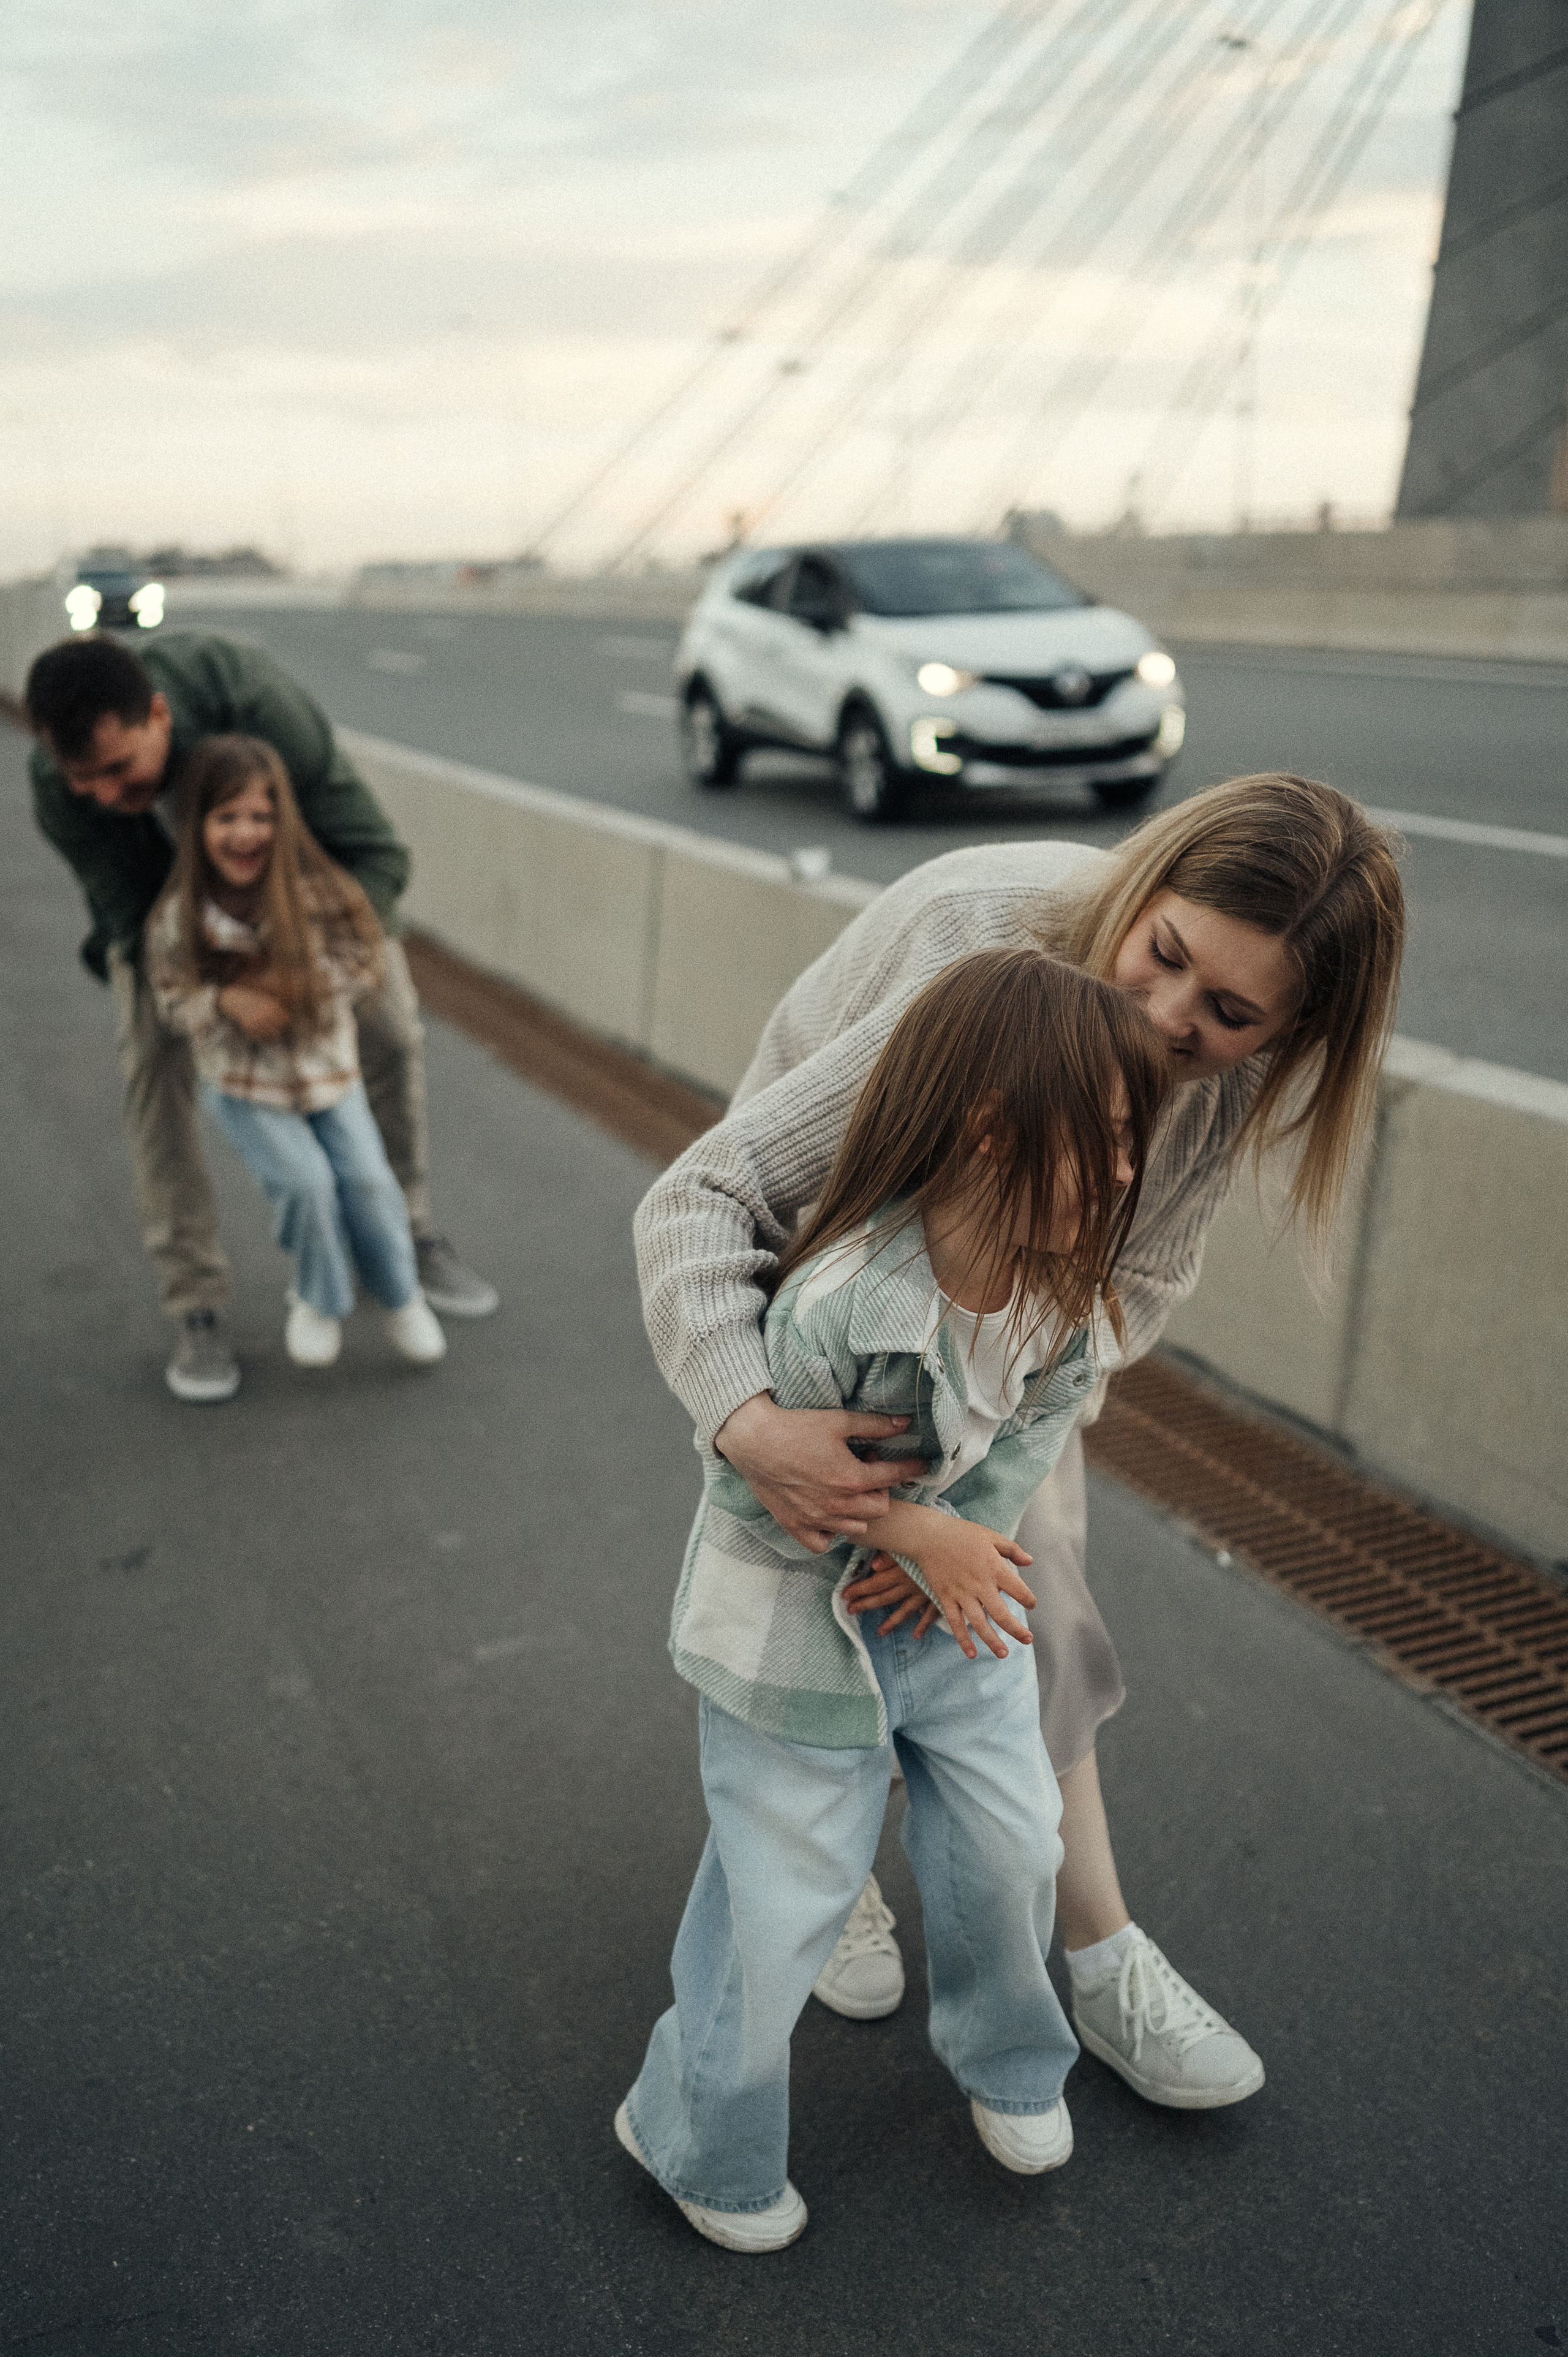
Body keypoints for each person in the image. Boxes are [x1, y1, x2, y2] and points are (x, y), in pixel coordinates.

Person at [635, 773, 1404, 2114]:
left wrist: (989, 1459)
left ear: (1288, 1036)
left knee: (1009, 1581)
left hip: (1014, 1344)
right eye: (1163, 956)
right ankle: (828, 1879)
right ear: (1145, 884)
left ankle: (1093, 1950)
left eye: (1229, 1017)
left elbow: (1135, 1290)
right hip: (812, 1290)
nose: (1168, 1023)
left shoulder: (1211, 1092)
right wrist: (751, 1418)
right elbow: (713, 1189)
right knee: (802, 1599)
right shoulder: (982, 941)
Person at [617, 949, 1170, 2250]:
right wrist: (921, 1531)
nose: (1126, 1172)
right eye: (1098, 1142)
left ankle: (1010, 2056)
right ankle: (691, 2131)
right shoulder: (841, 1300)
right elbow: (765, 1494)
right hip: (797, 1627)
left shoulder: (1062, 1303)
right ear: (988, 1126)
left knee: (1011, 1840)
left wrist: (954, 1543)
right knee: (781, 1899)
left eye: (1130, 1142)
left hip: (942, 1616)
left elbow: (1028, 1442)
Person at [25, 630, 497, 1404]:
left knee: (392, 1027)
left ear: (158, 713)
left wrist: (307, 970)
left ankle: (405, 1238)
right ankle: (196, 1302)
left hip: (306, 910)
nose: (106, 794)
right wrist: (218, 996)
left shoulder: (253, 701)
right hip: (166, 921)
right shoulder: (60, 787)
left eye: (119, 769)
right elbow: (129, 920)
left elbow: (378, 855)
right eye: (87, 780)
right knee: (149, 1065)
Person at [145, 734, 446, 1371]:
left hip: (328, 1073)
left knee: (368, 1183)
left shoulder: (320, 893)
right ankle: (319, 1295)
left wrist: (298, 986)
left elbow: (364, 963)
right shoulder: (179, 916)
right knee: (306, 1185)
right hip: (243, 1083)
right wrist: (226, 1001)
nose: (245, 833)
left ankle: (400, 1295)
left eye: (260, 816)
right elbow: (171, 998)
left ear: (283, 822)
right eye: (227, 817)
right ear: (196, 825)